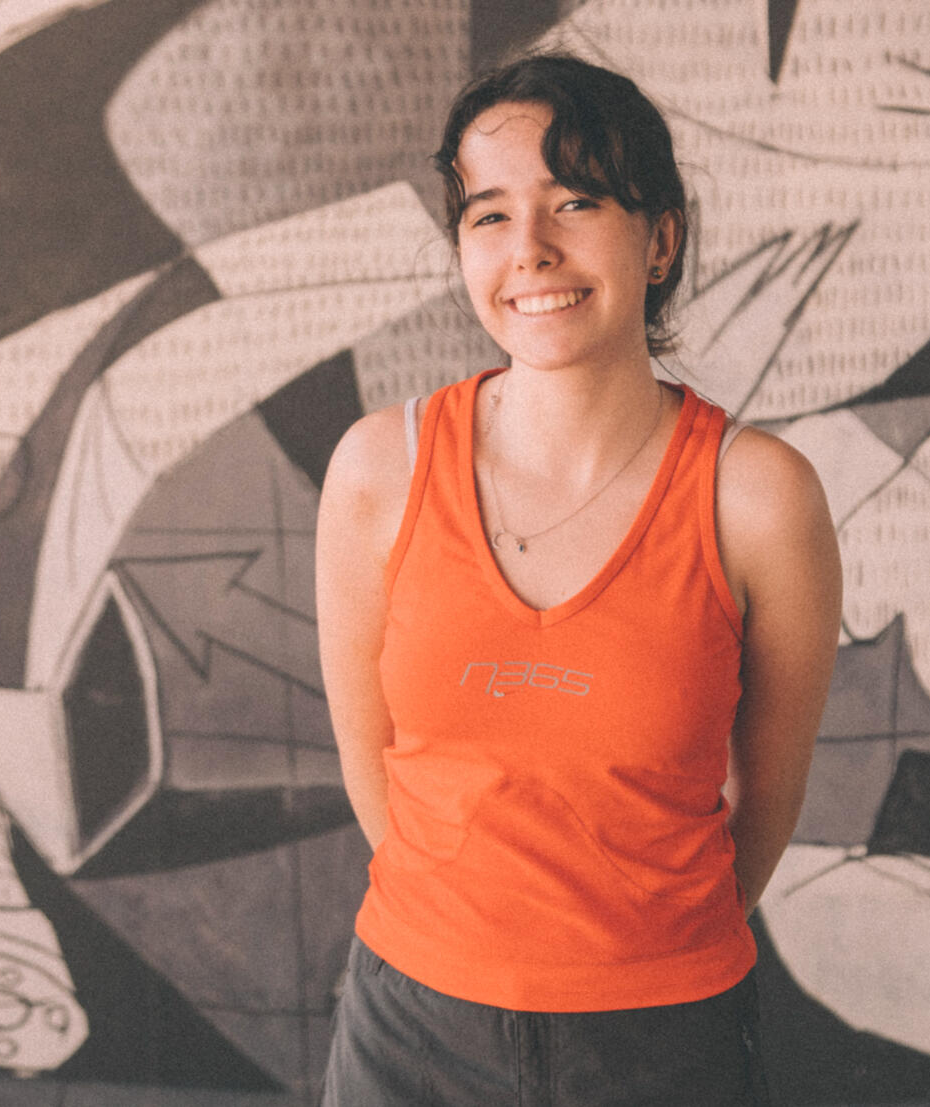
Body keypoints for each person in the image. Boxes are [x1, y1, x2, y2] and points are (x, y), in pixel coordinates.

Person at [314, 51, 841, 1106]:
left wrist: (634, 957)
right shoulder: (378, 469)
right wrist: (469, 944)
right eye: (490, 215)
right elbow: (372, 768)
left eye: (576, 202)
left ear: (661, 239)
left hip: (665, 1040)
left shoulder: (759, 497)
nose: (531, 249)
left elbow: (768, 796)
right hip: (410, 1031)